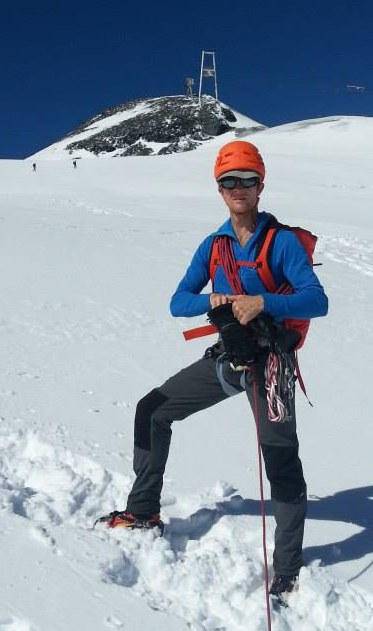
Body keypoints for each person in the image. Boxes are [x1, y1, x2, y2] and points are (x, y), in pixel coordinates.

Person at [101, 140, 328, 604]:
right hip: (230, 358)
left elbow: (316, 300)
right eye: (229, 181)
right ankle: (143, 512)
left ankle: (287, 568)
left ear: (261, 187)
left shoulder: (281, 242)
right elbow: (178, 302)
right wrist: (214, 300)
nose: (238, 188)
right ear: (219, 190)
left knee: (280, 458)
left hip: (271, 365)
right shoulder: (214, 245)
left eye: (248, 180)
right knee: (152, 410)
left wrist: (264, 302)